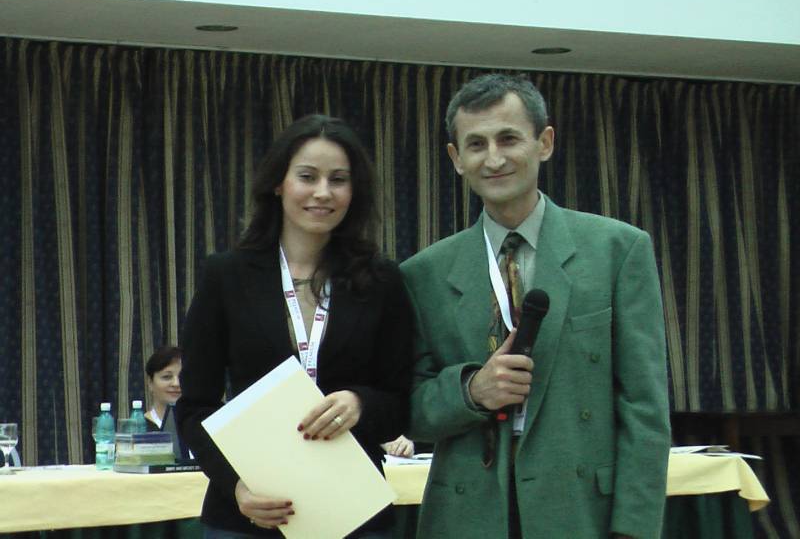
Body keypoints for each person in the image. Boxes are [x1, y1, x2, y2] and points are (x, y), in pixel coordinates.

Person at [401, 74, 670, 538]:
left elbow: (644, 406)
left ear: (544, 143)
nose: (494, 158)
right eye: (476, 144)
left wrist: (634, 529)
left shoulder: (617, 250)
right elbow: (408, 408)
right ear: (456, 159)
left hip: (581, 509)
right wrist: (470, 391)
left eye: (509, 139)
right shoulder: (423, 273)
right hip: (468, 514)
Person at [176, 114, 413, 539]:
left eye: (338, 179)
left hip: (352, 509)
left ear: (353, 191)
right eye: (307, 176)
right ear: (278, 184)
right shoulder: (226, 276)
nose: (323, 192)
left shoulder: (382, 281)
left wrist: (360, 403)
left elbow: (402, 400)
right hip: (249, 512)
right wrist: (236, 486)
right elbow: (195, 407)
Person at [144, 345, 182, 431]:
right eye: (167, 377)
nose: (176, 384)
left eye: (182, 377)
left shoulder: (206, 425)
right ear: (150, 382)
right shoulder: (138, 428)